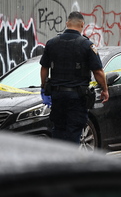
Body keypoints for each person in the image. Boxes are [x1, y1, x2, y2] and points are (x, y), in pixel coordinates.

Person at [40, 11, 109, 144]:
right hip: (77, 97)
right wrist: (105, 89)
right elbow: (98, 71)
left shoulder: (52, 43)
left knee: (58, 129)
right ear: (82, 24)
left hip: (57, 95)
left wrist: (43, 86)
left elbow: (44, 68)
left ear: (67, 23)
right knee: (74, 130)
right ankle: (70, 162)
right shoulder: (87, 45)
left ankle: (58, 161)